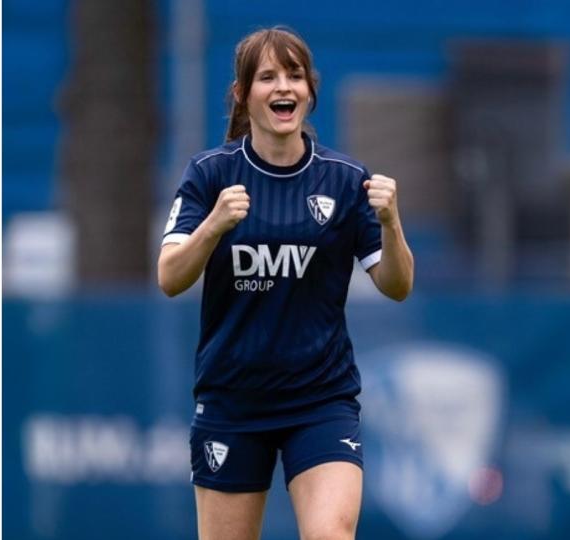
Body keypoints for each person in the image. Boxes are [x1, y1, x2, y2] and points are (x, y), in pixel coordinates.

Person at [157, 27, 414, 540]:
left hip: (321, 400)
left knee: (330, 534)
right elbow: (169, 277)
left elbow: (397, 285)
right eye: (268, 76)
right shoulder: (210, 174)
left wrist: (391, 221)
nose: (284, 87)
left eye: (295, 76)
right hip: (233, 400)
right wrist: (214, 226)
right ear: (243, 94)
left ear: (310, 91)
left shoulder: (345, 179)